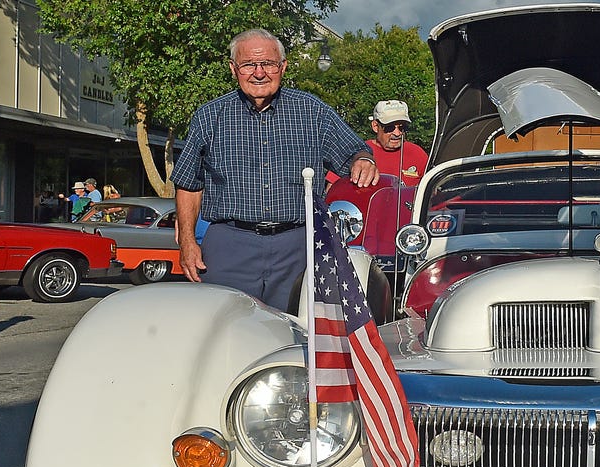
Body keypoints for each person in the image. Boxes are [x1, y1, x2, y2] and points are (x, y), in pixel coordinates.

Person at [172, 29, 378, 312]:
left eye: (268, 64)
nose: (259, 73)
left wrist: (364, 160)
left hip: (298, 246)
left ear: (283, 67)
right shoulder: (210, 116)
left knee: (298, 332)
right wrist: (186, 241)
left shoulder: (312, 112)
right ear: (234, 69)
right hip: (229, 245)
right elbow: (188, 184)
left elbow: (357, 150)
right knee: (225, 331)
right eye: (249, 65)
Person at [330, 100, 429, 187]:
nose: (397, 133)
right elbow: (333, 188)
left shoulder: (418, 154)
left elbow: (433, 192)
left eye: (402, 128)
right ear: (375, 126)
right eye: (389, 128)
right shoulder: (358, 153)